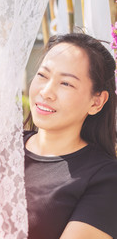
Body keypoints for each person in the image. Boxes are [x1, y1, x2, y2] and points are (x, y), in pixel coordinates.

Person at [24, 33, 117, 239]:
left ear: (96, 102)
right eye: (42, 75)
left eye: (66, 83)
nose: (46, 92)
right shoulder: (0, 147)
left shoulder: (106, 179)